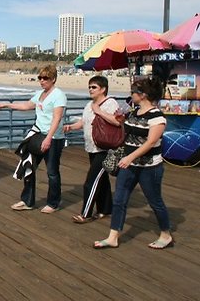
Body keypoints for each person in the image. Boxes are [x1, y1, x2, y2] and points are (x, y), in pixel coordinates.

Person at [94, 77, 173, 250]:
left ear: (143, 95)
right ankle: (113, 236)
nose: (131, 95)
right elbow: (127, 132)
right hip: (128, 165)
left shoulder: (157, 117)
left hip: (149, 166)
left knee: (155, 201)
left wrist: (130, 157)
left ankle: (166, 234)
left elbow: (150, 142)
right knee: (119, 200)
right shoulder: (133, 112)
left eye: (133, 92)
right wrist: (121, 121)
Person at [0, 65, 67, 213]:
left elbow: (57, 118)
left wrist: (48, 138)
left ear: (53, 79)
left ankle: (53, 203)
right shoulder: (40, 94)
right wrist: (7, 104)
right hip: (37, 135)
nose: (42, 81)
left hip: (53, 138)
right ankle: (27, 200)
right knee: (28, 166)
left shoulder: (59, 95)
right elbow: (27, 105)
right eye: (40, 78)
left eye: (45, 78)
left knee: (52, 172)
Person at [63, 76, 119, 223]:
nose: (90, 89)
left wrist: (99, 111)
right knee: (102, 179)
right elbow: (84, 122)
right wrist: (71, 127)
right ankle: (106, 209)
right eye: (89, 87)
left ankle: (85, 214)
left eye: (94, 87)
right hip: (91, 147)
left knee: (91, 181)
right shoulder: (89, 104)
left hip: (104, 148)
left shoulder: (110, 103)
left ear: (103, 89)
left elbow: (117, 121)